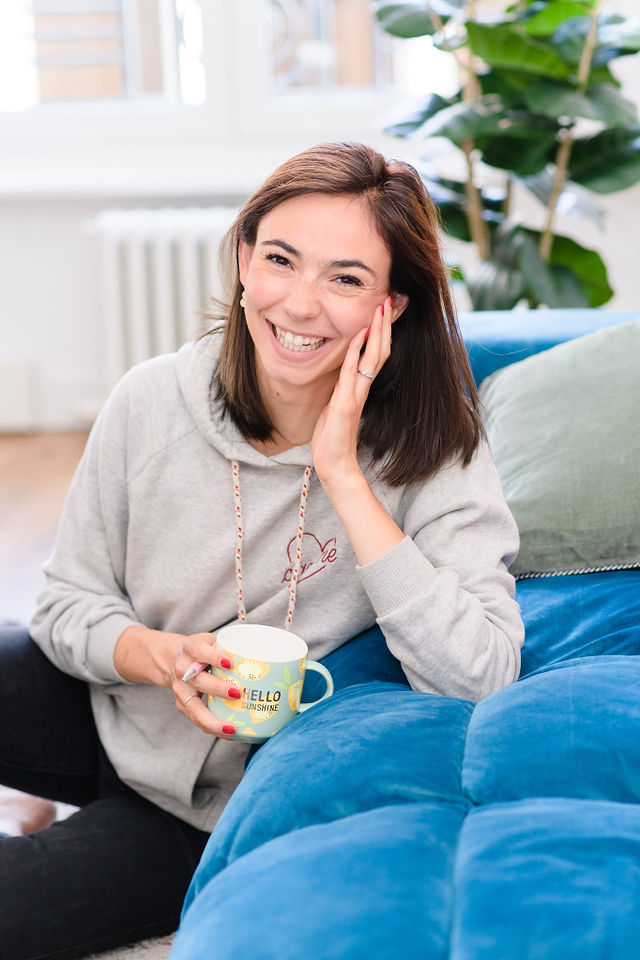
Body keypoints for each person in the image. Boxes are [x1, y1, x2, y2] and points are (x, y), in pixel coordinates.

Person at [0, 141, 524, 959]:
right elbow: (67, 604)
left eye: (346, 279)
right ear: (245, 261)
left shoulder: (438, 448)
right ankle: (42, 798)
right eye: (281, 259)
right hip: (110, 709)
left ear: (394, 304)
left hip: (205, 810)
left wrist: (343, 473)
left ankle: (48, 826)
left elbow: (481, 672)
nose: (301, 304)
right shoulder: (151, 398)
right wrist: (155, 656)